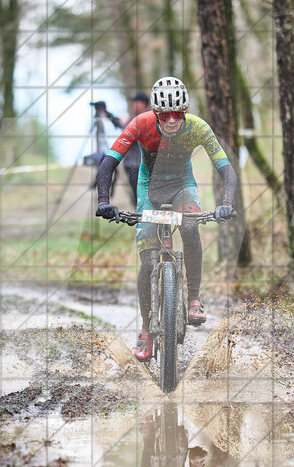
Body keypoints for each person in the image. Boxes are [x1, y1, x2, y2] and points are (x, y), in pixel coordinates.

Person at [95, 77, 237, 361]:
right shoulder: (140, 124)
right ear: (156, 113)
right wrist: (103, 202)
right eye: (165, 115)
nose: (172, 121)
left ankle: (194, 298)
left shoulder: (198, 127)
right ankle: (147, 329)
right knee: (147, 262)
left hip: (184, 183)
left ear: (184, 111)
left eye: (177, 114)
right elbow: (109, 163)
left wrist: (226, 203)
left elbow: (226, 170)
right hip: (151, 186)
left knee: (190, 225)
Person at [121, 92, 150, 204]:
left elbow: (125, 135)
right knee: (140, 201)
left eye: (135, 102)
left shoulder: (140, 120)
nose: (132, 105)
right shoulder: (143, 118)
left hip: (138, 167)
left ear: (143, 104)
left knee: (141, 201)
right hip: (136, 167)